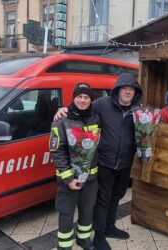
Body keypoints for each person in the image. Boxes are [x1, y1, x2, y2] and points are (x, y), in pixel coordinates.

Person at [54, 73, 142, 250]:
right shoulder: (102, 104)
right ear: (117, 90)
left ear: (135, 92)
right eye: (124, 88)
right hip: (105, 163)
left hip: (124, 163)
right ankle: (99, 234)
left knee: (117, 196)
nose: (127, 91)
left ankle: (110, 226)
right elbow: (80, 106)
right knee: (103, 199)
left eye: (131, 89)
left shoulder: (138, 110)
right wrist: (63, 109)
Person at [50, 83, 100, 250]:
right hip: (70, 178)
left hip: (91, 177)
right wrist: (68, 178)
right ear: (74, 97)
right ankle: (64, 245)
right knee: (66, 212)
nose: (83, 100)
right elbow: (57, 151)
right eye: (79, 96)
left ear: (90, 100)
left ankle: (83, 238)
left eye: (86, 97)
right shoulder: (61, 119)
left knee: (87, 209)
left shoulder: (96, 116)